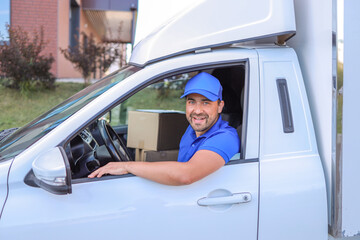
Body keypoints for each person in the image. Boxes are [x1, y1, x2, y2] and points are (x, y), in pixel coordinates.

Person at [88, 72, 240, 185]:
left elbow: (186, 174)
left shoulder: (225, 137)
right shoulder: (193, 129)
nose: (197, 110)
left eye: (206, 103)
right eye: (191, 102)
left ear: (220, 106)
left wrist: (127, 166)